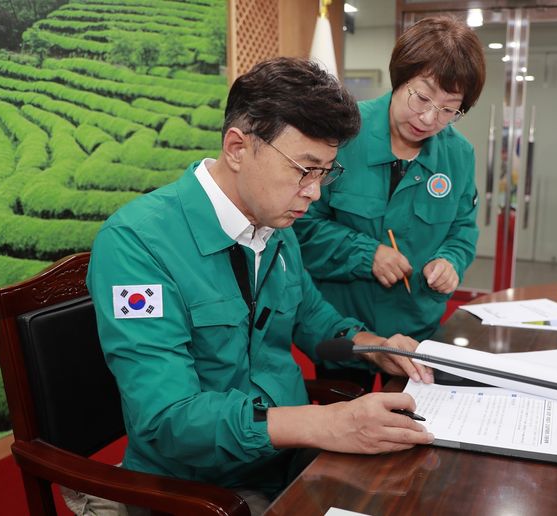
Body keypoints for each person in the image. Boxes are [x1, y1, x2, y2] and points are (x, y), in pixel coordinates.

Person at [86, 57, 435, 514]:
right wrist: (324, 424)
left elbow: (313, 318)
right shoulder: (138, 245)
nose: (315, 192)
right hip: (199, 490)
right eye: (304, 169)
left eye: (327, 171)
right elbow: (169, 421)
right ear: (237, 147)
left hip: (287, 462)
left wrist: (373, 345)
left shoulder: (276, 227)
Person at [293, 16, 486, 386]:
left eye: (449, 109)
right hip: (345, 328)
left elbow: (462, 229)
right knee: (345, 432)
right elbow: (298, 226)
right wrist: (366, 254)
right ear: (401, 78)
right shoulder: (341, 133)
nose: (430, 118)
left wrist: (451, 261)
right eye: (422, 97)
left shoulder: (459, 155)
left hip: (418, 331)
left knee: (410, 429)